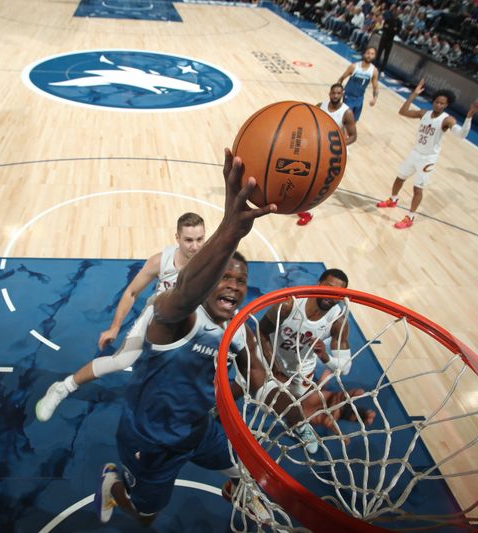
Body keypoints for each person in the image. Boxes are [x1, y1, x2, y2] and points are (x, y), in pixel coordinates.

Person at [94, 150, 286, 526]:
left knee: (240, 469)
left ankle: (237, 491)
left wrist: (300, 409)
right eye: (224, 278)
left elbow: (261, 384)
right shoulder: (174, 317)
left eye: (240, 281)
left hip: (199, 428)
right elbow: (182, 291)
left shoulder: (239, 328)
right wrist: (231, 226)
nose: (232, 286)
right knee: (146, 514)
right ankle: (113, 485)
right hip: (153, 439)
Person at [34, 212, 207, 421]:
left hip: (192, 319)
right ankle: (62, 387)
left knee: (199, 363)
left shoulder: (211, 262)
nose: (195, 247)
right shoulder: (160, 261)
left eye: (199, 239)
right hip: (158, 315)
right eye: (188, 240)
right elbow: (131, 292)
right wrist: (115, 327)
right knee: (121, 360)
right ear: (177, 238)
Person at [256, 268, 352, 453]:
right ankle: (217, 406)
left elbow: (345, 368)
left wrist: (325, 357)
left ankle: (300, 426)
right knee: (242, 384)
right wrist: (273, 367)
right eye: (328, 288)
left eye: (337, 293)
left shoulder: (338, 322)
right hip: (271, 355)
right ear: (318, 285)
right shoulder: (289, 305)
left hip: (300, 368)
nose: (331, 295)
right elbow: (261, 331)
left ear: (341, 297)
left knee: (294, 404)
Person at [376, 80, 478, 229]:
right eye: (437, 102)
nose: (439, 105)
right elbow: (403, 112)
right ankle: (393, 200)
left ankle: (410, 217)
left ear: (446, 105)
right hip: (415, 152)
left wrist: (469, 115)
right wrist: (413, 95)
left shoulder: (447, 119)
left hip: (428, 159)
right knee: (399, 178)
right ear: (434, 101)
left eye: (442, 104)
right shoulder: (424, 113)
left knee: (417, 189)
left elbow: (461, 135)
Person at [296, 85, 357, 226]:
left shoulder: (346, 112)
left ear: (342, 94)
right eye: (333, 93)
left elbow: (353, 136)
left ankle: (309, 212)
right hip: (316, 149)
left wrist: (340, 146)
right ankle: (302, 206)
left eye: (338, 93)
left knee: (320, 184)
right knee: (306, 177)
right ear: (329, 93)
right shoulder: (320, 106)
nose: (335, 95)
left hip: (333, 154)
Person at [337, 46, 379, 122]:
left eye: (372, 54)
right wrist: (338, 92)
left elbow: (375, 87)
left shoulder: (374, 71)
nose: (369, 55)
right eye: (368, 53)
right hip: (348, 97)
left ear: (375, 56)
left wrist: (375, 98)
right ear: (364, 54)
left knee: (353, 121)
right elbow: (341, 78)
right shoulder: (354, 66)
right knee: (345, 120)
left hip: (359, 99)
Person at [376, 6, 401, 76]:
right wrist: (392, 29)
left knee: (386, 56)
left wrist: (391, 29)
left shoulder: (399, 22)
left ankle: (382, 70)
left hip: (390, 40)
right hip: (384, 38)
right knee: (379, 53)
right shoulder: (388, 19)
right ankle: (374, 66)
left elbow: (398, 31)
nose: (396, 13)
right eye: (395, 11)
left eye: (398, 12)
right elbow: (384, 27)